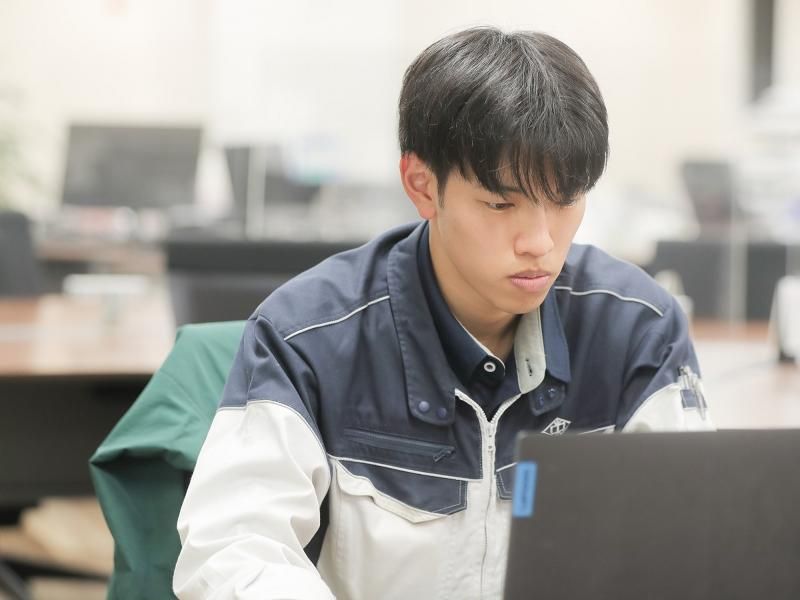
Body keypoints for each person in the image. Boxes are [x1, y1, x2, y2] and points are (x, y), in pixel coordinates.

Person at [173, 26, 713, 599]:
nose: (539, 242)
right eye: (501, 204)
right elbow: (233, 551)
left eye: (565, 201)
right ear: (422, 185)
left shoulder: (637, 329)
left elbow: (694, 546)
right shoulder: (306, 336)